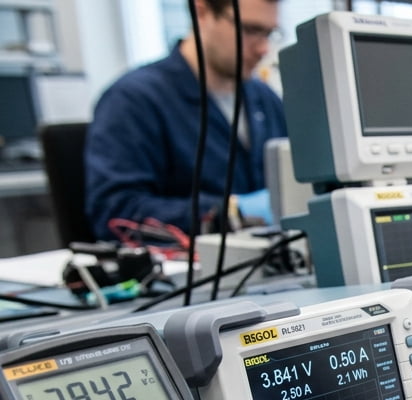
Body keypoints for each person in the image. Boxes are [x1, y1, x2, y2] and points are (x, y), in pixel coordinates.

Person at [84, 0, 285, 242]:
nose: (263, 48)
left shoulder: (264, 99)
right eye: (250, 30)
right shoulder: (135, 100)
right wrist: (229, 212)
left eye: (269, 33)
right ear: (201, 11)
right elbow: (116, 212)